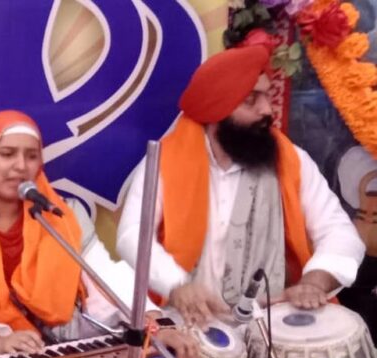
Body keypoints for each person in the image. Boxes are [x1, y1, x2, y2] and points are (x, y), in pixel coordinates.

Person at [0, 110, 197, 358]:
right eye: (7, 154)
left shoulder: (59, 214)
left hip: (58, 340)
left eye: (31, 155)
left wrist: (154, 323)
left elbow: (105, 276)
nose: (21, 166)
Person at [116, 44, 366, 327]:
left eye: (266, 96)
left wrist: (314, 282)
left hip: (270, 323)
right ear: (217, 111)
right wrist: (177, 285)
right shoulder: (164, 162)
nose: (267, 110)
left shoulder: (291, 160)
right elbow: (132, 235)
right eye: (251, 100)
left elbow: (340, 232)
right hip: (189, 323)